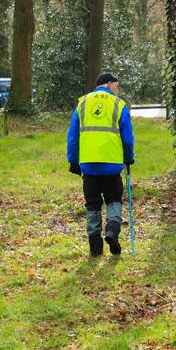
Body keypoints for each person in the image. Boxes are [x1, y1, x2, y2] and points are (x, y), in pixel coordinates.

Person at [66, 73, 135, 256]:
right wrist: (129, 157)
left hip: (88, 165)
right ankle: (112, 230)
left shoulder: (82, 104)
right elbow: (127, 138)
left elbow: (72, 137)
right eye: (117, 86)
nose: (117, 90)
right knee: (113, 200)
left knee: (93, 205)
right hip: (112, 164)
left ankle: (95, 248)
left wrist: (73, 161)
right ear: (110, 84)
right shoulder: (118, 105)